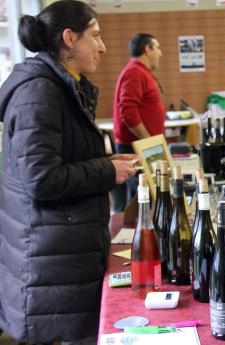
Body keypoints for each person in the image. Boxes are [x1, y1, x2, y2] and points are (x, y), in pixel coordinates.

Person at [0, 1, 136, 344]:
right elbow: (42, 179)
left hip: (60, 251)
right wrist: (106, 171)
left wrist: (106, 165)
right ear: (69, 39)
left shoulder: (61, 85)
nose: (103, 47)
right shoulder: (40, 92)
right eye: (96, 36)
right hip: (50, 257)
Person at [112, 33, 165, 212]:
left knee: (143, 203)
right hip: (135, 149)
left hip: (140, 146)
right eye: (157, 47)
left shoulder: (140, 72)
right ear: (147, 49)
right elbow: (128, 112)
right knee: (140, 205)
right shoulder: (135, 72)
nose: (160, 53)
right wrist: (148, 143)